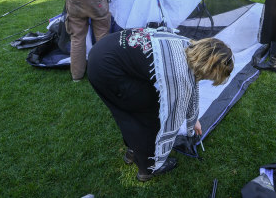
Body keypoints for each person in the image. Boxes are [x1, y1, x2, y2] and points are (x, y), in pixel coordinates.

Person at [88, 28, 233, 182]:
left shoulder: (188, 45)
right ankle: (149, 167)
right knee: (151, 117)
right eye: (212, 77)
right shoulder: (179, 74)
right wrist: (184, 125)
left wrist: (194, 118)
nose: (208, 80)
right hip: (107, 70)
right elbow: (172, 117)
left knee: (129, 112)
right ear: (208, 68)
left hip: (103, 50)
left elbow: (193, 82)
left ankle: (132, 150)